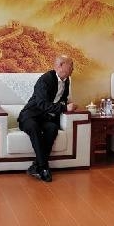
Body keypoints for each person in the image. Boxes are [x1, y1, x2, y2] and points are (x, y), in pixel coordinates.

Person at [18, 54, 77, 182]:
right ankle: (43, 167)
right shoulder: (45, 79)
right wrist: (64, 108)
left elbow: (62, 100)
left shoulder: (67, 80)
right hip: (30, 115)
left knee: (52, 128)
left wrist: (67, 105)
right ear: (61, 65)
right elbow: (42, 104)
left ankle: (36, 166)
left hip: (45, 118)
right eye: (71, 65)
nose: (73, 68)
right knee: (34, 127)